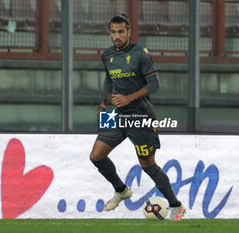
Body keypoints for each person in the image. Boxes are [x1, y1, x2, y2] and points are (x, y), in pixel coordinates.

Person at [89, 14, 186, 221]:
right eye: (113, 32)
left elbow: (154, 85)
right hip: (118, 116)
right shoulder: (107, 56)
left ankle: (176, 205)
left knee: (148, 165)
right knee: (96, 156)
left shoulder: (141, 54)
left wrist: (128, 98)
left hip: (141, 117)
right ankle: (121, 190)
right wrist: (103, 102)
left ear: (129, 32)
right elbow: (108, 80)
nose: (117, 36)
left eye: (121, 32)